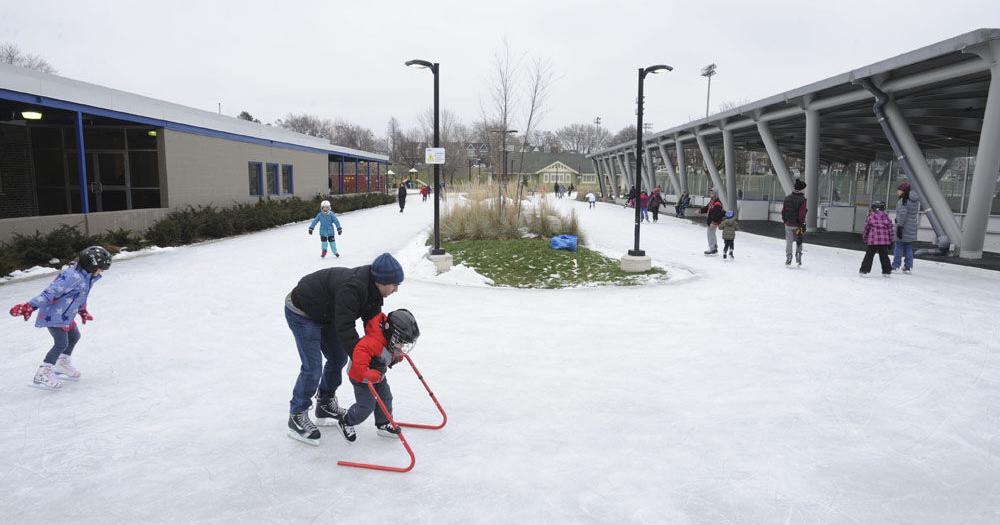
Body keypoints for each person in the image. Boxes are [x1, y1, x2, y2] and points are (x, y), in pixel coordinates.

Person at [285, 253, 404, 445]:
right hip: (302, 312)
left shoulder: (374, 292)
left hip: (327, 313)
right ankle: (296, 414)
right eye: (394, 284)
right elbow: (345, 328)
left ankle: (324, 403)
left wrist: (384, 353)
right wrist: (363, 360)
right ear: (381, 281)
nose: (396, 289)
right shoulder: (352, 288)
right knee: (312, 367)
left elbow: (373, 326)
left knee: (338, 357)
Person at [8, 246, 111, 390]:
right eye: (101, 268)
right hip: (54, 315)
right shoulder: (71, 277)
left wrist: (82, 310)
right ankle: (43, 372)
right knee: (61, 343)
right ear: (91, 265)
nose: (102, 271)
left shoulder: (87, 277)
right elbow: (50, 292)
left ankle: (61, 364)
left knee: (74, 336)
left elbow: (81, 295)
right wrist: (30, 306)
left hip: (65, 314)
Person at [338, 309, 421, 442]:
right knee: (366, 406)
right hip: (361, 378)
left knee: (386, 397)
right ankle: (346, 421)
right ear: (391, 333)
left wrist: (394, 358)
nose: (402, 345)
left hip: (378, 374)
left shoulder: (390, 342)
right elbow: (359, 368)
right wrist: (372, 375)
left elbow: (386, 354)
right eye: (401, 341)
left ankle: (383, 424)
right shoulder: (369, 343)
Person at [860, 201, 894, 277]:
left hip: (873, 240)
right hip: (884, 241)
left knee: (869, 255)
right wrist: (891, 240)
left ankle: (864, 270)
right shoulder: (886, 217)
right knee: (884, 255)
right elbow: (890, 229)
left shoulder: (870, 217)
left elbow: (866, 229)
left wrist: (865, 238)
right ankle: (887, 271)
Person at [892, 182, 920, 273]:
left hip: (903, 227)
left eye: (899, 190)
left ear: (904, 191)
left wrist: (899, 225)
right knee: (908, 246)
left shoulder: (903, 201)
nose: (897, 192)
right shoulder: (914, 201)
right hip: (911, 227)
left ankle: (895, 265)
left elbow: (902, 214)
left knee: (898, 245)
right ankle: (908, 266)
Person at [781, 179, 808, 267]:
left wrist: (785, 221)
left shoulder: (787, 198)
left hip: (788, 224)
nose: (805, 190)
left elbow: (783, 211)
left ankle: (788, 257)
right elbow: (802, 214)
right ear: (801, 189)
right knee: (799, 240)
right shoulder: (802, 200)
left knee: (789, 241)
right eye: (804, 189)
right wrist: (802, 223)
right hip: (798, 225)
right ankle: (798, 256)